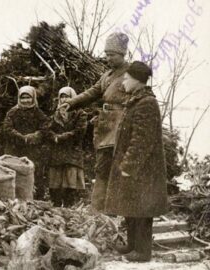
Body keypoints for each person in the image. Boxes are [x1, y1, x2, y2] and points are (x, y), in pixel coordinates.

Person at [58, 32, 131, 212]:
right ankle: (97, 210)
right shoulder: (106, 76)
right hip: (106, 129)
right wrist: (72, 102)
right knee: (102, 169)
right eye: (106, 54)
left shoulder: (132, 75)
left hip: (122, 128)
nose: (108, 59)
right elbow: (92, 92)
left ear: (123, 55)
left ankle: (118, 211)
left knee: (120, 171)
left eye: (112, 55)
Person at [106, 61, 168, 262]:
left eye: (126, 77)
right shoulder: (137, 100)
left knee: (142, 209)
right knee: (131, 206)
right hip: (137, 168)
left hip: (143, 170)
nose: (123, 80)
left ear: (136, 80)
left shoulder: (146, 103)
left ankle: (142, 252)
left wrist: (128, 165)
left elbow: (141, 140)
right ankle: (132, 245)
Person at [45, 87, 87, 207]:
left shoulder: (80, 113)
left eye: (67, 96)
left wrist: (62, 137)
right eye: (62, 96)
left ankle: (69, 209)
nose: (64, 99)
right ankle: (56, 210)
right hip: (57, 152)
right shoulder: (55, 114)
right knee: (55, 183)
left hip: (72, 151)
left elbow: (80, 131)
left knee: (70, 183)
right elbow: (47, 129)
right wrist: (53, 136)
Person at [3, 86, 47, 199]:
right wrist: (21, 137)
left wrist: (34, 136)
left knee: (34, 173)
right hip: (15, 148)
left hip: (33, 148)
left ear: (33, 98)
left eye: (28, 98)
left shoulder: (38, 113)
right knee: (15, 172)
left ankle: (36, 200)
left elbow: (45, 128)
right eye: (23, 98)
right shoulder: (12, 112)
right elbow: (7, 128)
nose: (25, 100)